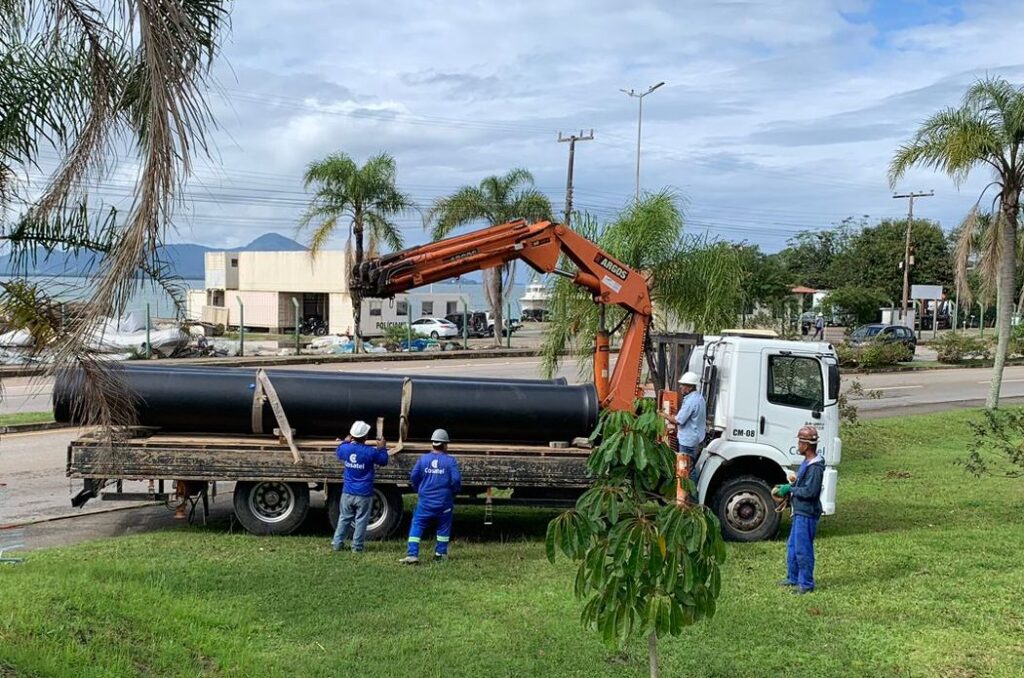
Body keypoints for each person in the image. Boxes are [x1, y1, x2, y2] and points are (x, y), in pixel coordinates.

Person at [774, 426, 825, 594]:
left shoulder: (815, 468)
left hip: (807, 513)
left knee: (803, 549)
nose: (798, 444)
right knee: (793, 547)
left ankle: (806, 584)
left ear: (807, 445)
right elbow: (802, 485)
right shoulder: (807, 463)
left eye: (800, 441)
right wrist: (791, 485)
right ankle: (793, 578)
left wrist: (790, 490)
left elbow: (810, 492)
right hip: (799, 511)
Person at [399, 429, 462, 565]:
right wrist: (453, 493)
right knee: (443, 528)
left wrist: (419, 489)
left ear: (433, 444)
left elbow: (413, 477)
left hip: (425, 501)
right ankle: (440, 554)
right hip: (444, 502)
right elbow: (456, 480)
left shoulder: (423, 459)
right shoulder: (450, 461)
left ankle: (412, 554)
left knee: (417, 524)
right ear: (445, 444)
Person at [331, 420, 390, 553]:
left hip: (347, 492)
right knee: (361, 521)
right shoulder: (370, 452)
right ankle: (357, 547)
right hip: (364, 493)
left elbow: (339, 449)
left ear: (352, 436)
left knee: (344, 518)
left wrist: (346, 441)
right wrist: (382, 448)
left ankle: (337, 543)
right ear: (366, 437)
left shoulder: (345, 449)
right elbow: (383, 460)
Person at [674, 371, 707, 489]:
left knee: (686, 469)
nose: (681, 387)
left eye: (683, 385)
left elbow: (678, 420)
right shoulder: (699, 398)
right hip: (696, 439)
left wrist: (663, 415)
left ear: (689, 387)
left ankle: (690, 497)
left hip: (687, 441)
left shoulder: (690, 402)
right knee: (690, 467)